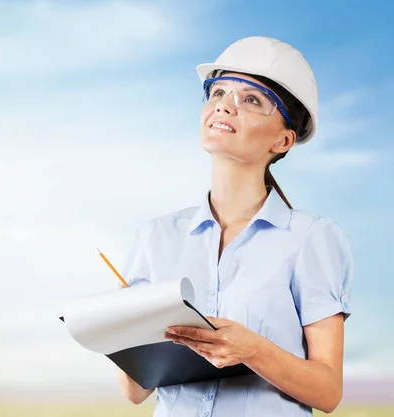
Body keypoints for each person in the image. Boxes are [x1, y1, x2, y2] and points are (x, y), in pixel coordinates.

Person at [116, 36, 353, 416]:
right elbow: (135, 391)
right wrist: (120, 330)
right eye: (218, 92)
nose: (224, 105)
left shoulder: (312, 238)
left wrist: (254, 349)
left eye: (251, 99)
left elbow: (327, 393)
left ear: (283, 139)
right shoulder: (155, 238)